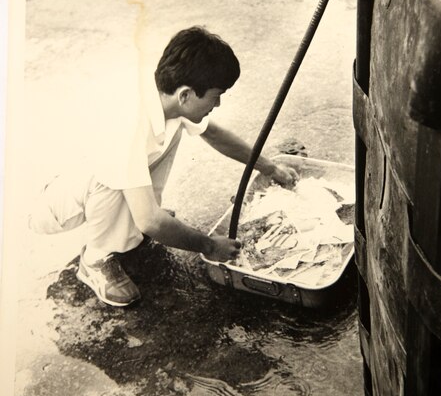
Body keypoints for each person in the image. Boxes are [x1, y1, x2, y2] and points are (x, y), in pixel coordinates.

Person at [29, 26, 298, 308]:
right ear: (185, 95)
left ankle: (129, 221)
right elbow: (152, 222)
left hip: (92, 177)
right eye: (215, 96)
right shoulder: (129, 126)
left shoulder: (164, 96)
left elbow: (215, 135)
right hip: (60, 204)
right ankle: (96, 259)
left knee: (172, 132)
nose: (217, 104)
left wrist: (269, 168)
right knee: (114, 181)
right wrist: (209, 246)